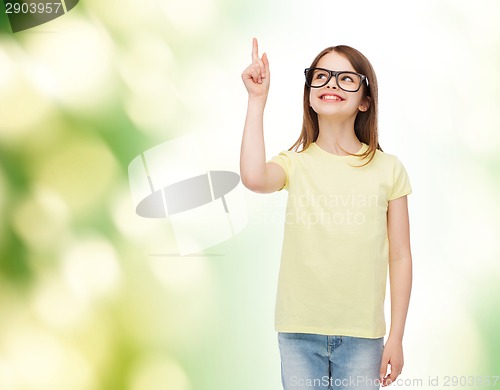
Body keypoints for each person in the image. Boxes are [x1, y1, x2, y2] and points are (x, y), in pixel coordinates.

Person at [240, 38, 412, 389]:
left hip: (363, 336)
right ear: (309, 93)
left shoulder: (389, 170)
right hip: (299, 333)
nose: (331, 83)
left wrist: (395, 336)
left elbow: (400, 256)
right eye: (321, 76)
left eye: (346, 78)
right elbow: (254, 178)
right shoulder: (294, 164)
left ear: (365, 101)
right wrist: (257, 101)